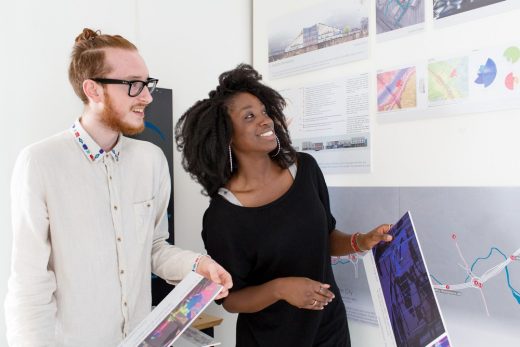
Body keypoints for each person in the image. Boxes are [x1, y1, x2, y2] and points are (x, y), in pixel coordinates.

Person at [5, 28, 232, 347]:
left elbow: (153, 248)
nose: (148, 97)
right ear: (93, 90)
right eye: (134, 85)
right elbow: (30, 286)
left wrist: (197, 265)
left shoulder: (151, 161)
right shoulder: (40, 163)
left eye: (147, 84)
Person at [175, 64, 393, 346]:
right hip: (271, 339)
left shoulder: (306, 169)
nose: (265, 121)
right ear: (226, 135)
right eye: (250, 116)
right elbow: (232, 300)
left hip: (330, 329)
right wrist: (280, 288)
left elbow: (324, 238)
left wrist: (361, 241)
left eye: (265, 112)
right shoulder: (223, 215)